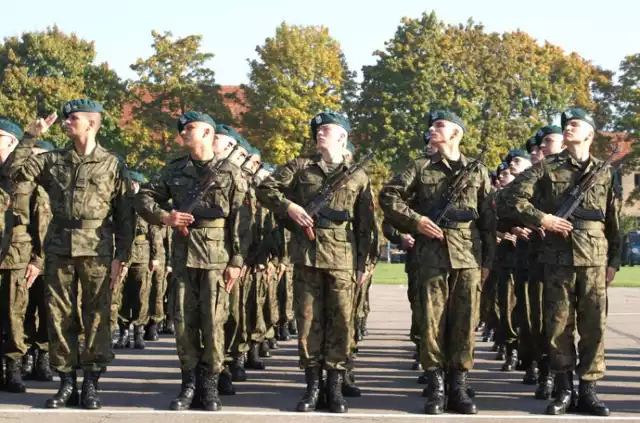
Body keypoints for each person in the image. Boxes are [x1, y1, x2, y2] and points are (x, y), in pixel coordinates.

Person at [13, 99, 134, 409]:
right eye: (65, 118)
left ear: (91, 124)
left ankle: (91, 383)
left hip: (98, 247)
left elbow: (124, 214)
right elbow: (13, 171)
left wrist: (123, 254)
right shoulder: (52, 160)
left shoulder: (112, 163)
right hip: (60, 246)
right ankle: (66, 382)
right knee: (59, 315)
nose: (66, 122)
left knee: (97, 316)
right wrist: (32, 135)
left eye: (73, 118)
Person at [501, 108, 620, 416]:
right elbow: (510, 198)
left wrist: (614, 261)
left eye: (576, 124)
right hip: (557, 258)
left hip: (595, 259)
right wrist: (543, 218)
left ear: (590, 134)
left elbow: (613, 219)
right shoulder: (546, 167)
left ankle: (589, 391)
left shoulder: (606, 171)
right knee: (558, 327)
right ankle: (564, 389)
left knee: (594, 326)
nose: (569, 128)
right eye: (566, 125)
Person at [256, 112, 375, 414]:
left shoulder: (358, 175)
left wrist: (363, 263)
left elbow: (365, 224)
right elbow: (265, 189)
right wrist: (290, 207)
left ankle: (334, 387)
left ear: (343, 137)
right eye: (318, 130)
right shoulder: (299, 167)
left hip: (343, 258)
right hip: (307, 255)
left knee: (341, 322)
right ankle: (312, 386)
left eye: (326, 129)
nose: (319, 133)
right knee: (307, 322)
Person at [379, 110, 495, 415]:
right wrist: (416, 222)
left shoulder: (478, 170)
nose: (432, 129)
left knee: (465, 322)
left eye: (439, 125)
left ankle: (459, 386)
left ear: (456, 133)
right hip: (431, 256)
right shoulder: (419, 167)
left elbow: (488, 220)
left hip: (468, 256)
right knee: (431, 322)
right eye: (431, 126)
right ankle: (437, 386)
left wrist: (487, 263)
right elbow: (389, 196)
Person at [135, 111, 246, 412]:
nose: (184, 132)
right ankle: (188, 384)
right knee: (184, 325)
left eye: (190, 128)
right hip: (184, 257)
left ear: (208, 133)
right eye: (183, 129)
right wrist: (165, 217)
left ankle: (210, 385)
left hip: (217, 258)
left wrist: (236, 259)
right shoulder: (174, 171)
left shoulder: (230, 172)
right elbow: (143, 198)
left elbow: (241, 219)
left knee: (213, 323)